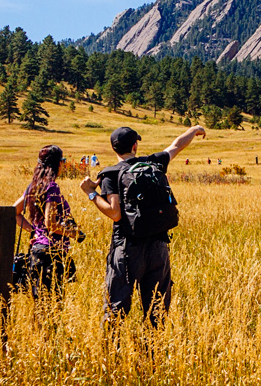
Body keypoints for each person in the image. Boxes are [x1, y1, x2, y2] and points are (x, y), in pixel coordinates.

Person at [80, 125, 204, 326]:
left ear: (114, 149)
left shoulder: (110, 174)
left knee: (116, 308)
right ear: (135, 145)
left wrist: (91, 194)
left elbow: (115, 212)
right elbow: (176, 146)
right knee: (157, 308)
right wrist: (194, 129)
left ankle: (113, 353)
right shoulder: (153, 163)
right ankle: (152, 352)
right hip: (158, 246)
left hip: (127, 248)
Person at [13, 145, 82, 299]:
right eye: (63, 160)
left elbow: (14, 212)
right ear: (57, 164)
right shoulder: (52, 187)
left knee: (41, 305)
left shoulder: (34, 187)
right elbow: (50, 224)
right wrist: (74, 233)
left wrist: (35, 232)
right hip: (51, 255)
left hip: (37, 251)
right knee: (52, 307)